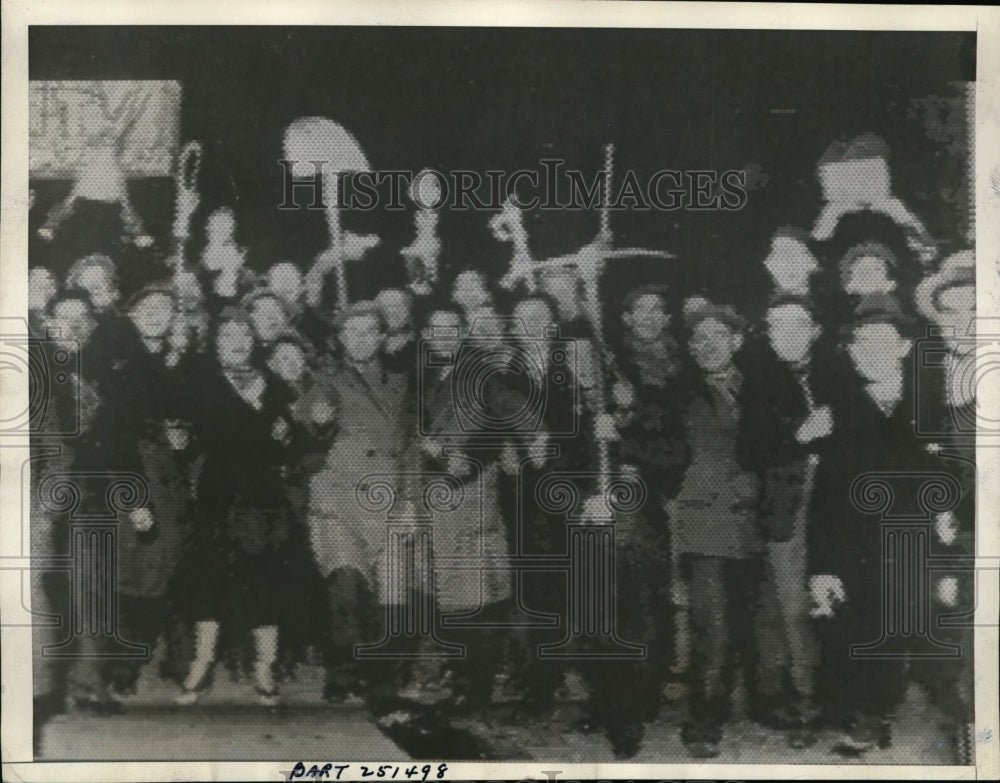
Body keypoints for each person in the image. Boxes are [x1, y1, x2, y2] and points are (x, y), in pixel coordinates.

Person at [174, 307, 321, 707]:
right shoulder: (198, 383)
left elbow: (298, 443)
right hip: (217, 493)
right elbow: (188, 436)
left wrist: (288, 434)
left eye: (243, 335)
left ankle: (265, 669)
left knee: (264, 582)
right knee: (210, 580)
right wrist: (181, 442)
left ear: (254, 341)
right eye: (228, 336)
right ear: (216, 343)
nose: (236, 342)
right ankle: (200, 666)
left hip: (263, 497)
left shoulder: (274, 384)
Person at [807, 293, 929, 754]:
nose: (869, 352)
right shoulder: (838, 409)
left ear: (903, 347)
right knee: (850, 631)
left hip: (910, 545)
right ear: (852, 353)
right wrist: (821, 568)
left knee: (896, 631)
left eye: (881, 342)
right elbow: (826, 499)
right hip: (854, 548)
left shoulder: (927, 403)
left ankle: (881, 707)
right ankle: (858, 713)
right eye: (861, 344)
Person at [306, 301, 420, 709]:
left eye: (369, 331)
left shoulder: (403, 382)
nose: (360, 339)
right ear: (340, 339)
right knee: (346, 590)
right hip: (339, 499)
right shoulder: (326, 379)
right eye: (351, 332)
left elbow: (411, 446)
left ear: (383, 338)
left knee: (392, 597)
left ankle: (382, 679)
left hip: (389, 497)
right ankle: (342, 670)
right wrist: (318, 417)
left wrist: (409, 501)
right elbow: (312, 414)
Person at [670, 297, 766, 758]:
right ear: (689, 348)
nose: (708, 345)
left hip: (755, 521)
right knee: (712, 625)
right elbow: (660, 450)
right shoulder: (677, 393)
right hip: (705, 522)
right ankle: (704, 719)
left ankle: (763, 703)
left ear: (738, 341)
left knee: (753, 619)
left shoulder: (762, 388)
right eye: (699, 339)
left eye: (718, 336)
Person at [736, 294, 831, 742]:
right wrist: (798, 436)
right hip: (785, 505)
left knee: (828, 597)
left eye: (797, 326)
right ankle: (800, 697)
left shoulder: (837, 373)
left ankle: (838, 695)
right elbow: (749, 449)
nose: (786, 335)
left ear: (815, 330)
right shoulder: (757, 380)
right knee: (789, 604)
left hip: (835, 503)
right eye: (777, 328)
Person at [99, 284, 197, 697]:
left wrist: (185, 440)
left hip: (173, 476)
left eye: (166, 308)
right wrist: (134, 496)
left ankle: (160, 656)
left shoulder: (179, 363)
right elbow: (114, 435)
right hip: (136, 473)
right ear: (133, 314)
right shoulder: (120, 361)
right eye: (149, 307)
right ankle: (126, 661)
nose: (158, 313)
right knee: (136, 570)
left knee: (167, 568)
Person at [416, 304, 513, 714]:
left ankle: (478, 688)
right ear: (425, 332)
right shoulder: (422, 377)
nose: (444, 335)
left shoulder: (485, 375)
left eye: (451, 328)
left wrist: (465, 460)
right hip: (434, 493)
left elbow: (504, 425)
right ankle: (461, 681)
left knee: (479, 592)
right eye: (436, 328)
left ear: (462, 333)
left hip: (473, 493)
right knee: (448, 592)